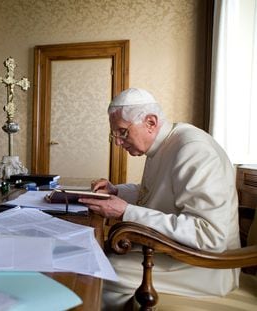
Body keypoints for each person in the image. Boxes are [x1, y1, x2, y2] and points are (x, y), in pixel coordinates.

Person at [78, 88, 240, 310]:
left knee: (100, 269)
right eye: (115, 134)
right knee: (101, 257)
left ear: (151, 123)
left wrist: (125, 211)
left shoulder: (193, 150)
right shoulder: (166, 143)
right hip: (181, 255)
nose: (118, 142)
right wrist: (118, 192)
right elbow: (158, 192)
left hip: (207, 267)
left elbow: (210, 236)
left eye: (123, 132)